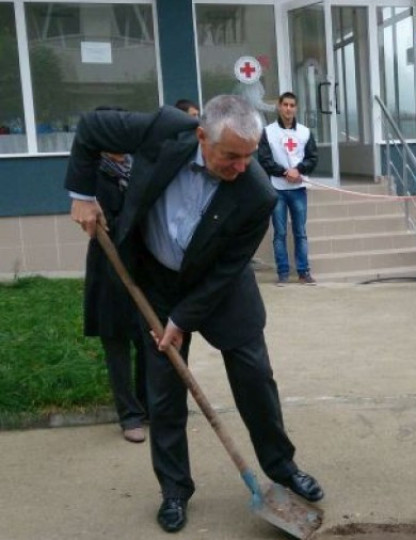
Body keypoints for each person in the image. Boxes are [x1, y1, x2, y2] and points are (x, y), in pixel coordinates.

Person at [65, 95, 323, 534]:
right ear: (201, 136)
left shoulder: (258, 193)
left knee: (255, 378)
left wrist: (182, 321)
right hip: (156, 282)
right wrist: (83, 195)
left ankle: (282, 467)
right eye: (232, 156)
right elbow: (91, 127)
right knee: (164, 393)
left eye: (249, 156)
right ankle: (174, 490)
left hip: (222, 291)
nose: (243, 166)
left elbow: (226, 271)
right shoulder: (162, 129)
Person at [82, 138, 147, 443]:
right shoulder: (92, 175)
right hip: (109, 267)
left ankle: (149, 406)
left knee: (149, 338)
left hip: (143, 263)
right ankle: (129, 414)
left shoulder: (138, 168)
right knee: (117, 341)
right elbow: (102, 221)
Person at [257, 91, 319, 285]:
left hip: (298, 189)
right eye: (285, 105)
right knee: (280, 233)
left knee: (300, 232)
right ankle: (283, 273)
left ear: (296, 108)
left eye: (292, 105)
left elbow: (312, 157)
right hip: (277, 189)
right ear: (279, 106)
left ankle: (303, 272)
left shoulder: (305, 132)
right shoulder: (268, 132)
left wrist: (299, 170)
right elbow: (265, 160)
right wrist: (285, 172)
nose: (288, 109)